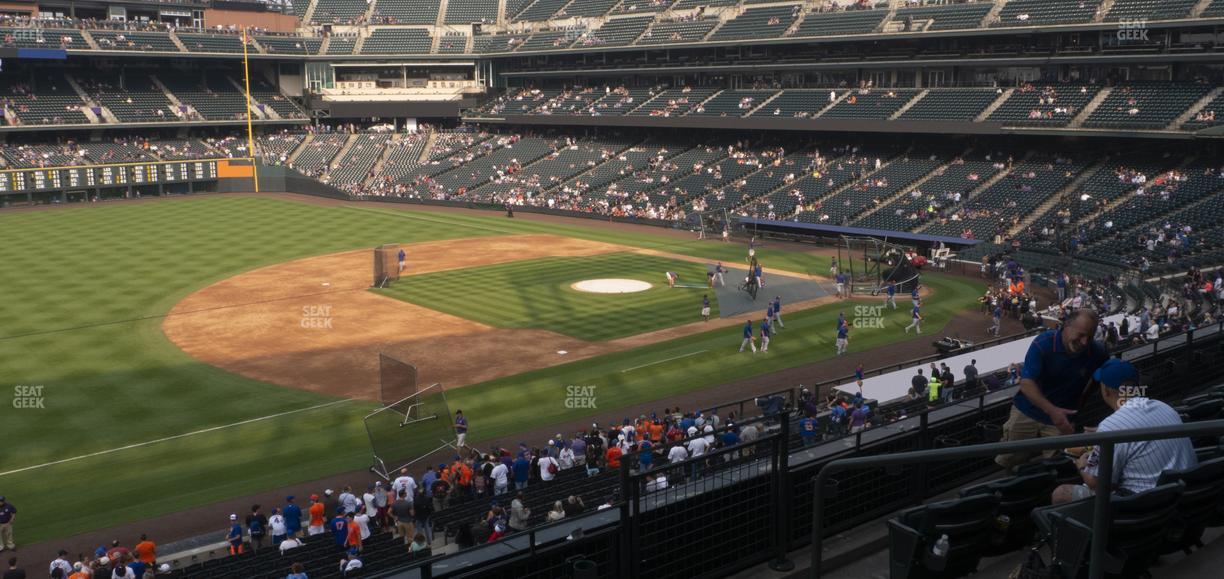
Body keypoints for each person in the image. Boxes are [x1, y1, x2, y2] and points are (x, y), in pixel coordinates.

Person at [1051, 359, 1197, 503]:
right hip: (1185, 496)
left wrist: (1081, 464)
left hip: (1143, 505)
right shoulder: (1164, 407)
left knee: (1061, 494)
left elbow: (1096, 483)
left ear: (1106, 390)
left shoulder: (1111, 427)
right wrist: (1103, 433)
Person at [995, 310, 1108, 469]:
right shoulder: (1043, 343)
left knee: (1056, 466)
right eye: (1081, 335)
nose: (1084, 342)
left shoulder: (1097, 352)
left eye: (1089, 337)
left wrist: (1080, 404)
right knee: (1010, 459)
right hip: (1028, 410)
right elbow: (1026, 383)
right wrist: (1053, 411)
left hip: (1063, 417)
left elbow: (1099, 379)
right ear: (1066, 326)